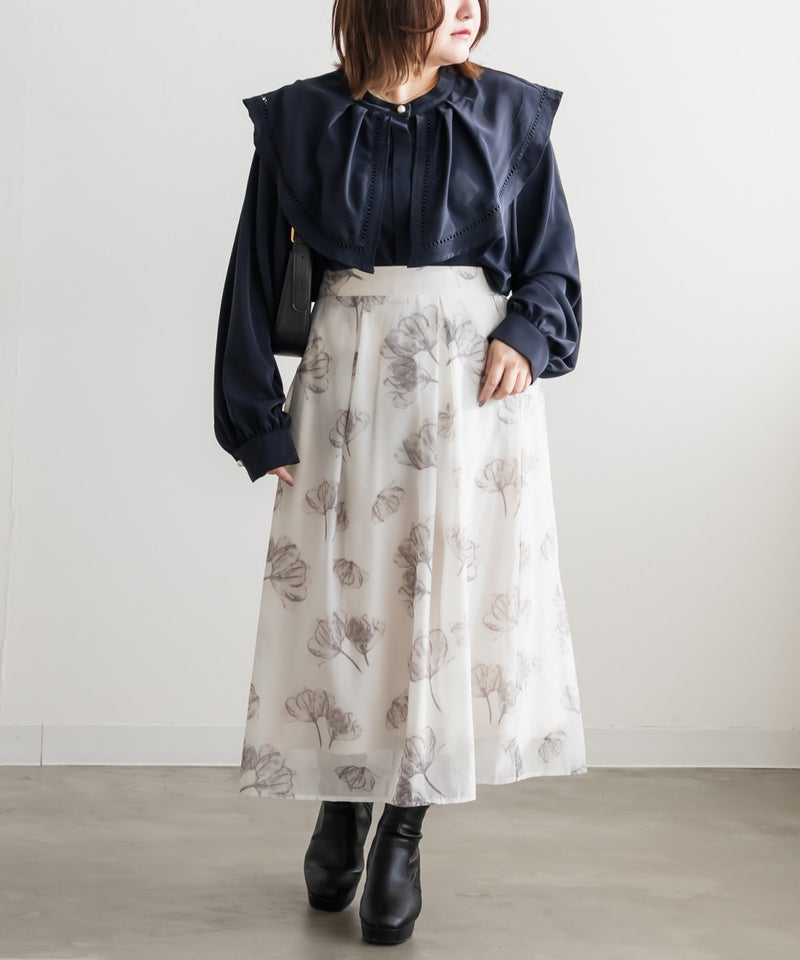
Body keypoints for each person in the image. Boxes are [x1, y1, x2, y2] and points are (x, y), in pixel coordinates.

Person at [214, 0, 588, 945]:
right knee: (348, 607)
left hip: (470, 398)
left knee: (441, 610)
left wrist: (527, 334)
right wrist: (258, 422)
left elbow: (551, 265)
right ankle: (343, 802)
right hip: (347, 387)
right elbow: (251, 276)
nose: (468, 8)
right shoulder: (302, 121)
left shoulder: (510, 115)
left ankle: (404, 830)